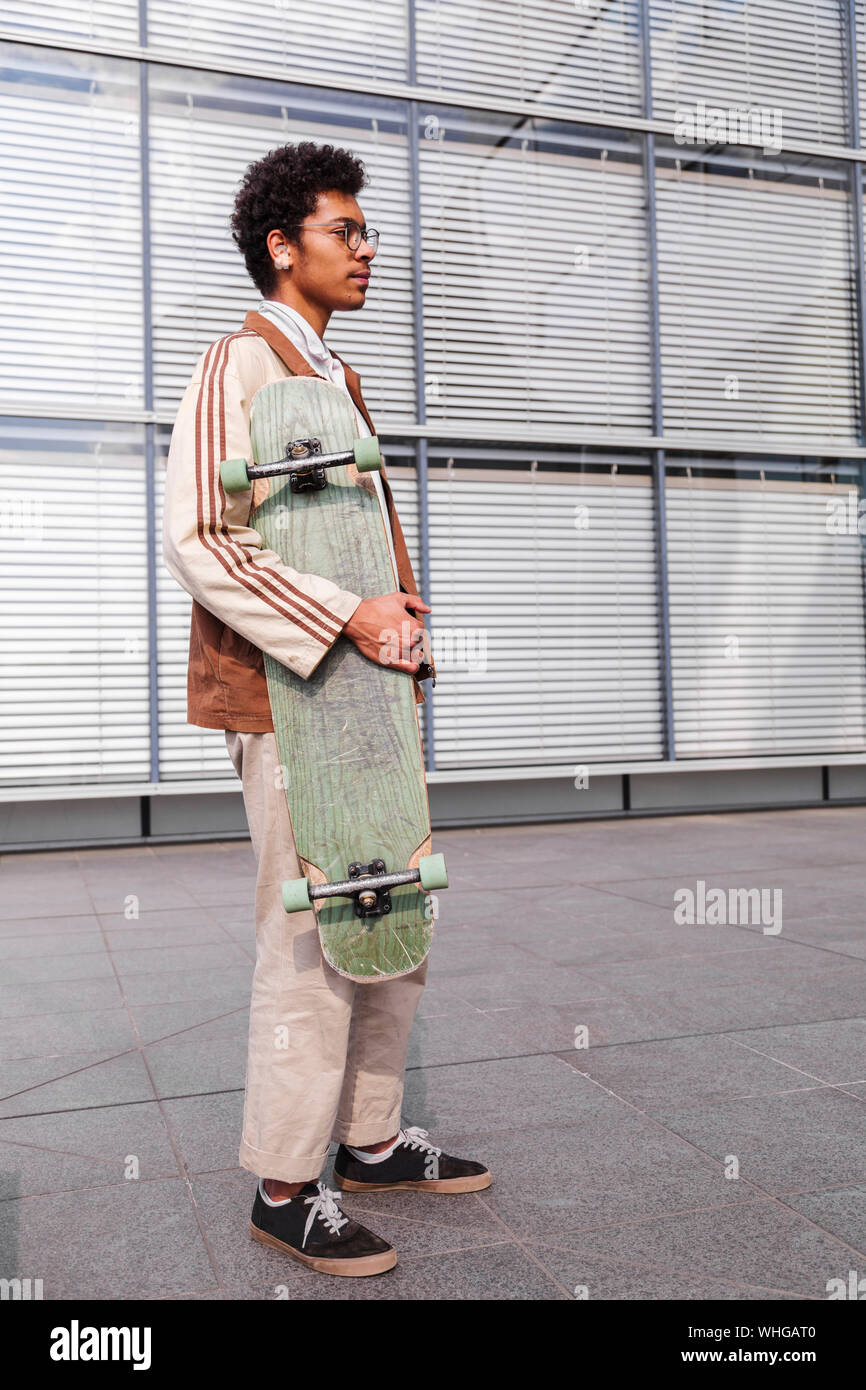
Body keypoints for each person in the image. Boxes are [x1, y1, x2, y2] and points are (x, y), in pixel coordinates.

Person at [162, 140, 491, 1278]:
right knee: (311, 929)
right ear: (280, 244)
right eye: (344, 230)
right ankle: (286, 1186)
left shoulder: (334, 376)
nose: (365, 250)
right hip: (286, 694)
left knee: (391, 909)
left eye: (366, 231)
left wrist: (392, 617)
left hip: (365, 698)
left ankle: (370, 1138)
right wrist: (348, 615)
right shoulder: (234, 366)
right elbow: (204, 537)